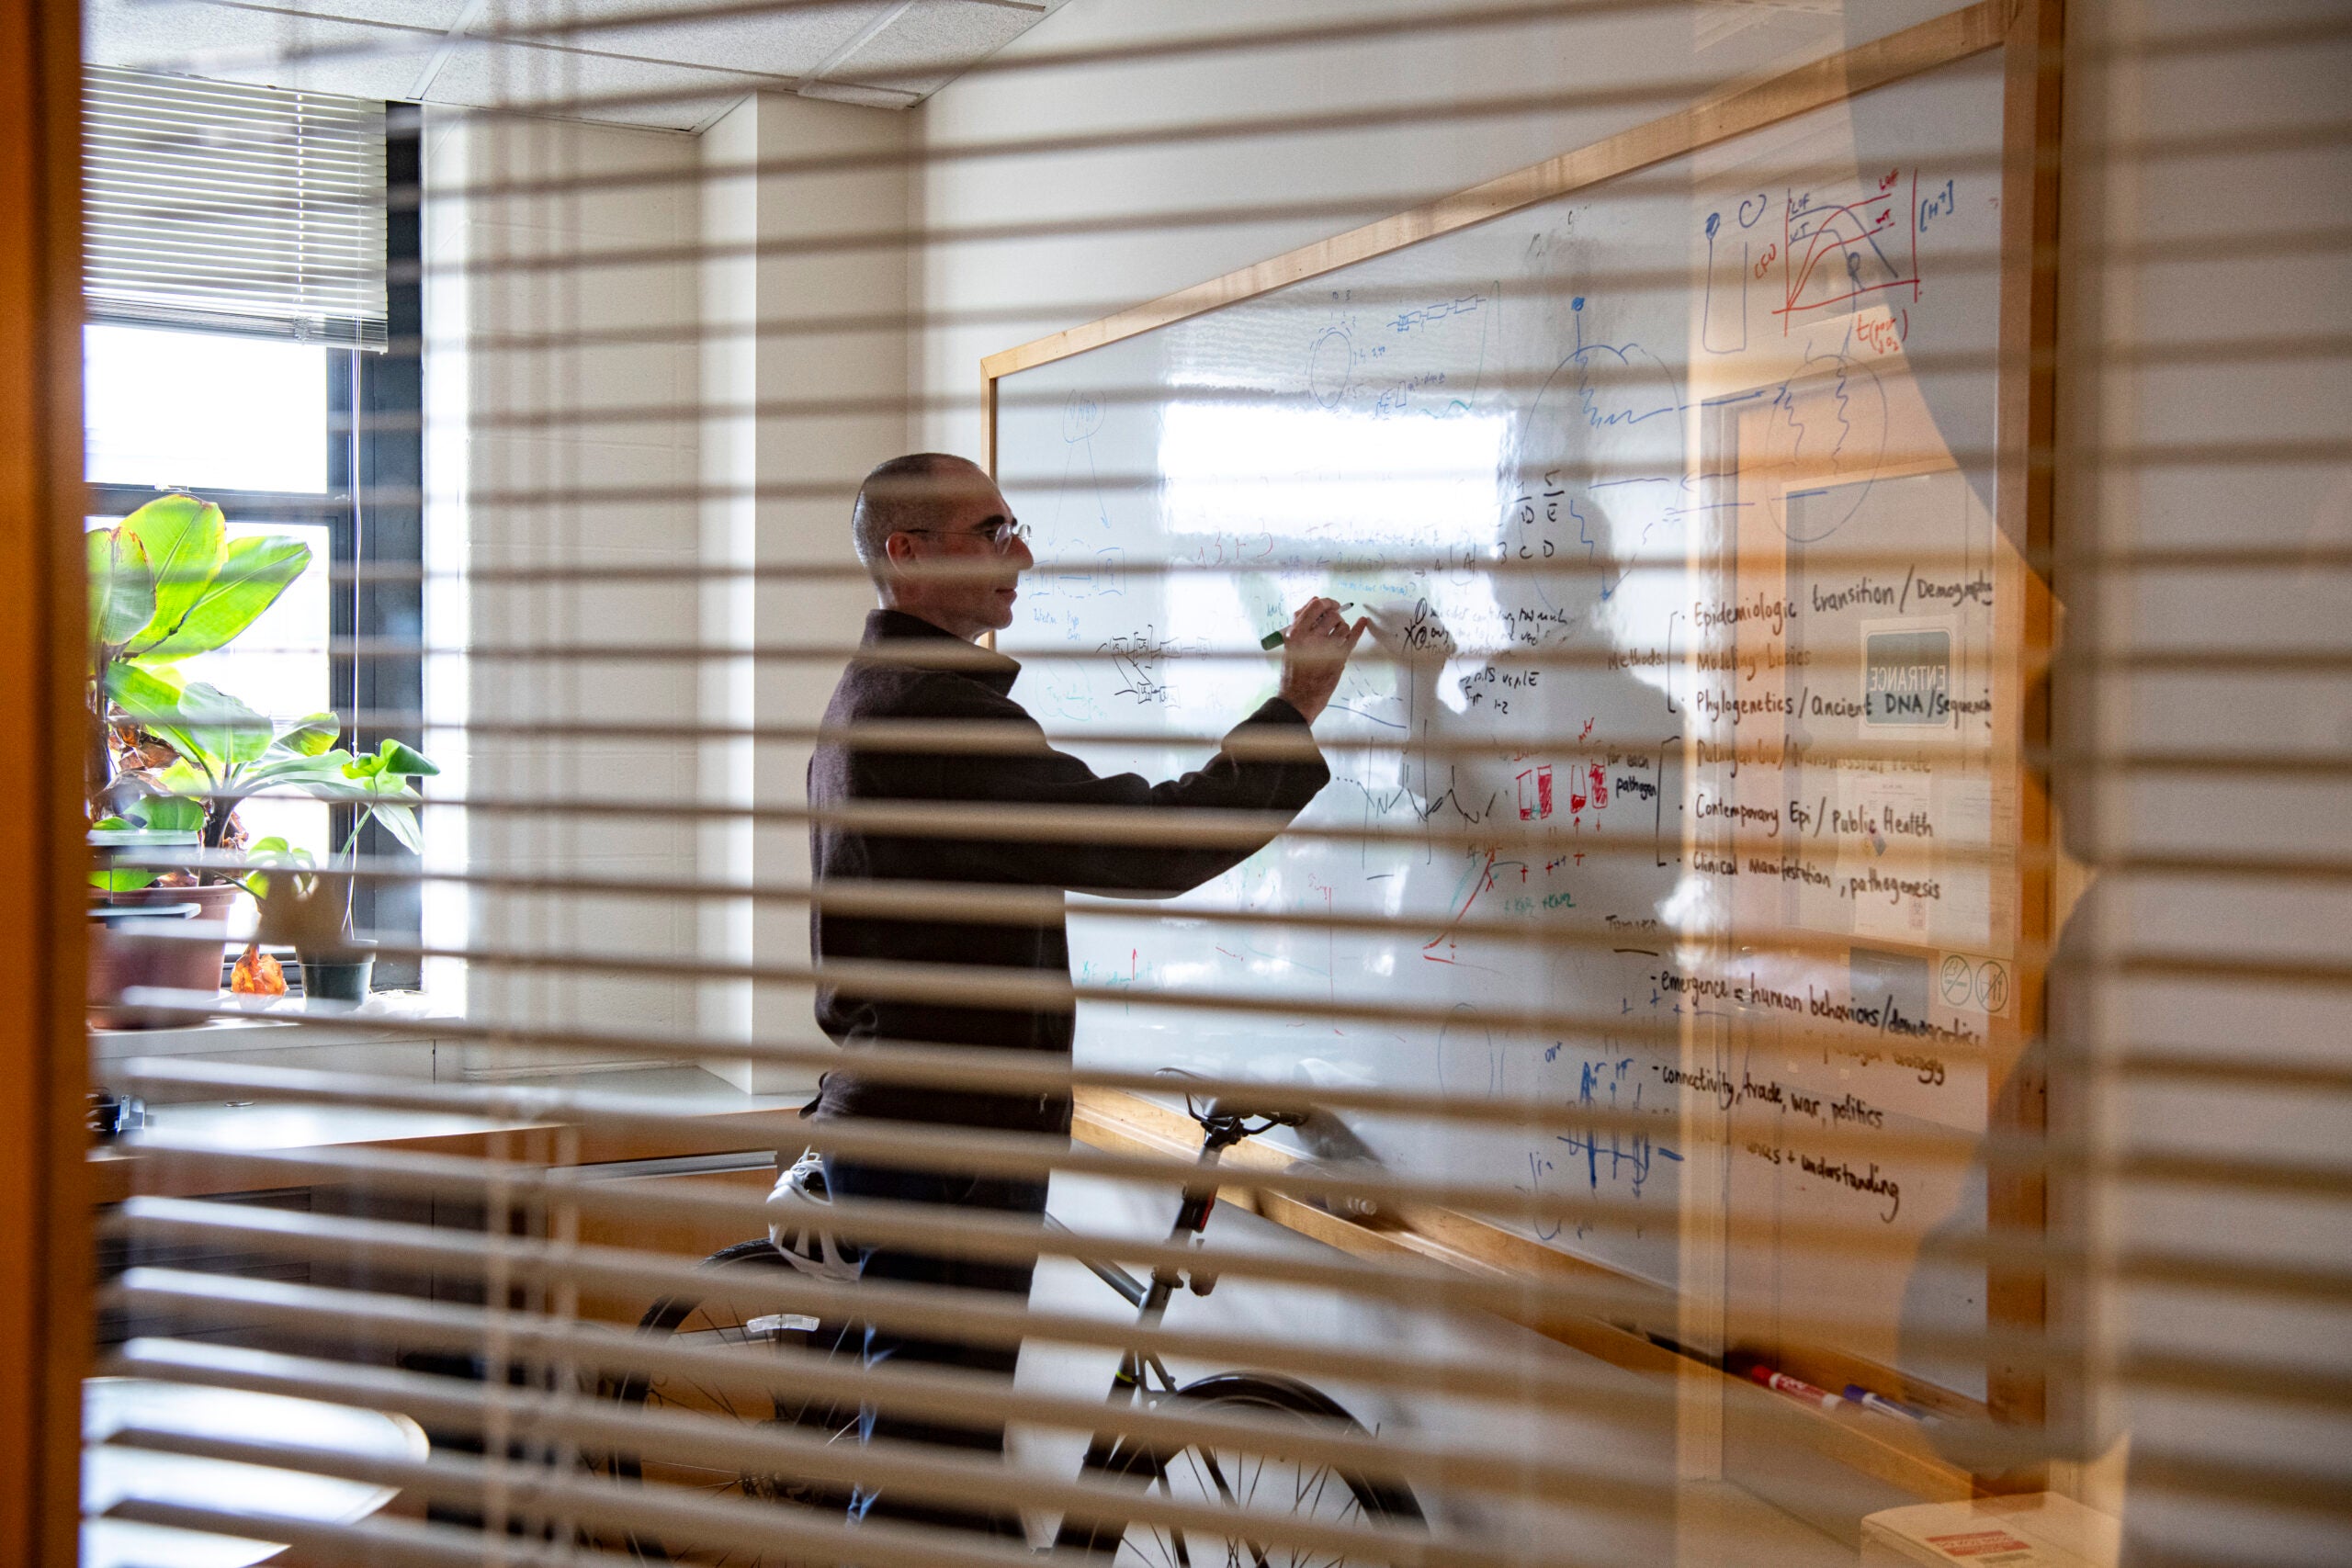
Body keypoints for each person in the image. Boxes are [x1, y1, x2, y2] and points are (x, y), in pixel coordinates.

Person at [802, 452, 1366, 1538]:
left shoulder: (877, 697)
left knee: (940, 1464)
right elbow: (1147, 843)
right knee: (929, 1476)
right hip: (944, 1147)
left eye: (1015, 524)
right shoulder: (930, 718)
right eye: (992, 529)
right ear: (906, 555)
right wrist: (1295, 703)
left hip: (919, 1130)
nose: (1024, 552)